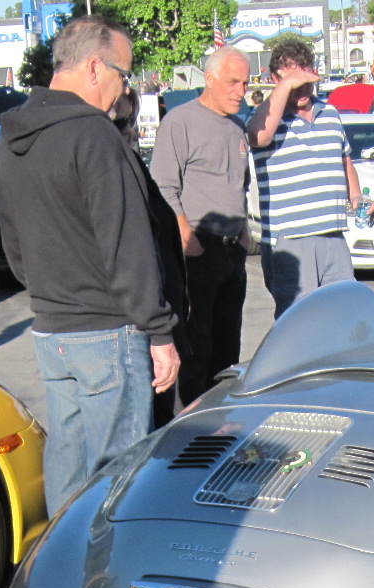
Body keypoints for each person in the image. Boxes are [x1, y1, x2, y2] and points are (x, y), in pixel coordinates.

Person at [0, 15, 179, 512]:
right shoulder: (95, 134)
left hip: (51, 332)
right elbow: (128, 244)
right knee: (116, 488)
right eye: (124, 74)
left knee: (69, 478)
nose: (125, 90)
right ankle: (103, 563)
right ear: (95, 67)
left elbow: (14, 247)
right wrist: (159, 332)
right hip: (109, 333)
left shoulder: (12, 139)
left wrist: (55, 292)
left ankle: (64, 560)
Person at [152, 46, 251, 405]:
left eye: (246, 83)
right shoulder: (180, 122)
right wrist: (186, 236)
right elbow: (163, 187)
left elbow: (239, 185)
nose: (241, 91)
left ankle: (220, 419)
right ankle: (192, 423)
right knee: (196, 347)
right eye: (233, 82)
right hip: (198, 252)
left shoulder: (237, 126)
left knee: (228, 348)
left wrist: (244, 234)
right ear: (209, 79)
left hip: (232, 253)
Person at [245, 37, 359, 317]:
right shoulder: (266, 117)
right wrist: (285, 86)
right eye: (293, 80)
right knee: (299, 318)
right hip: (291, 238)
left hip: (333, 234)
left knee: (343, 312)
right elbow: (258, 136)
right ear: (276, 79)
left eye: (306, 77)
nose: (302, 86)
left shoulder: (330, 113)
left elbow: (345, 158)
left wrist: (356, 196)